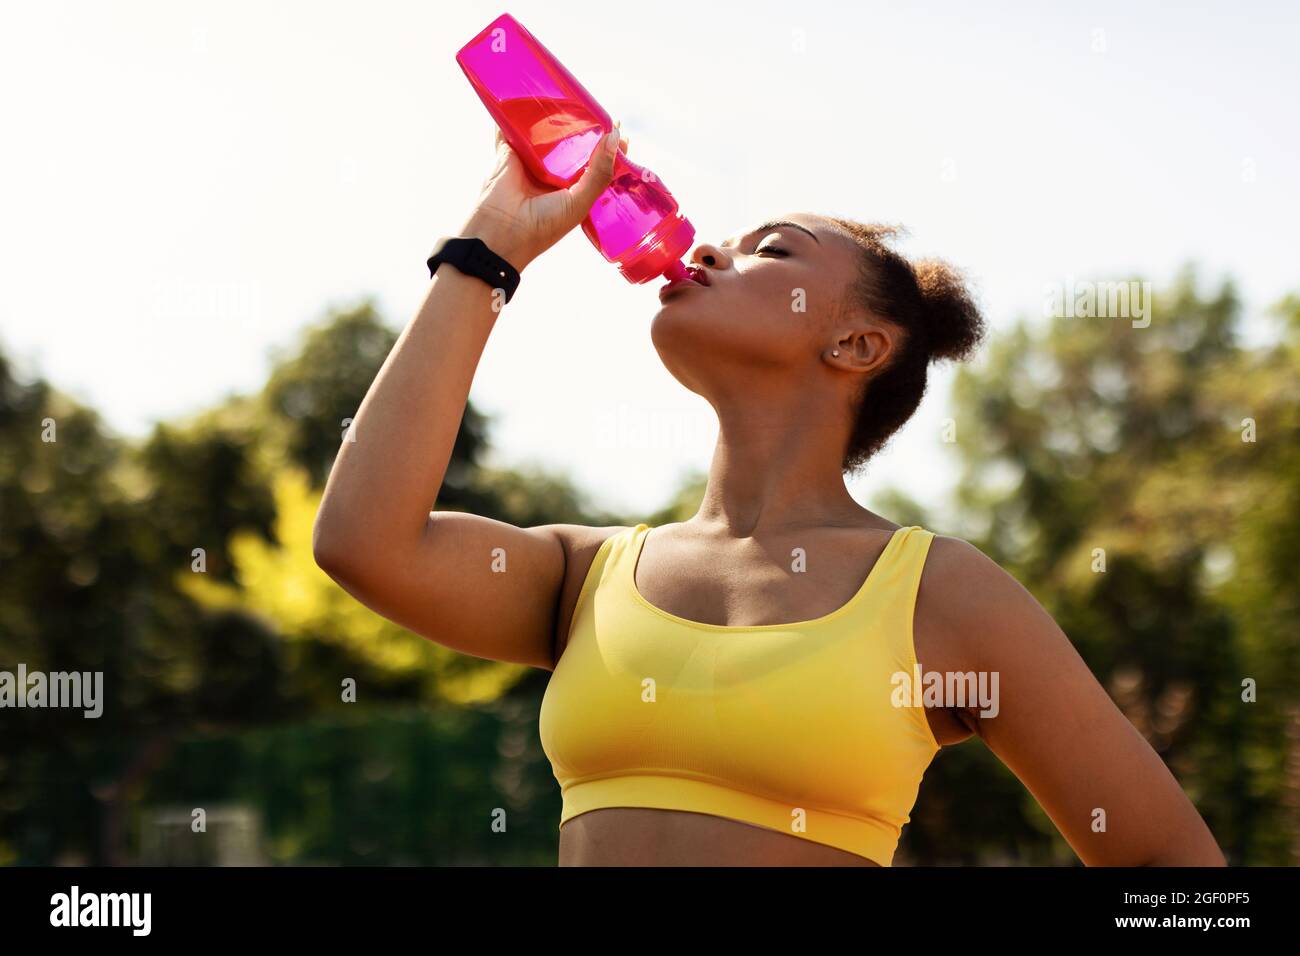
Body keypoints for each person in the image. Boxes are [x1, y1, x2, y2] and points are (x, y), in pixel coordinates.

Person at [312, 123, 1226, 867]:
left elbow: (1176, 876)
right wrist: (488, 249)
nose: (708, 248)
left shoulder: (938, 595)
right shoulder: (588, 576)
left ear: (857, 347)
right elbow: (363, 541)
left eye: (771, 252)